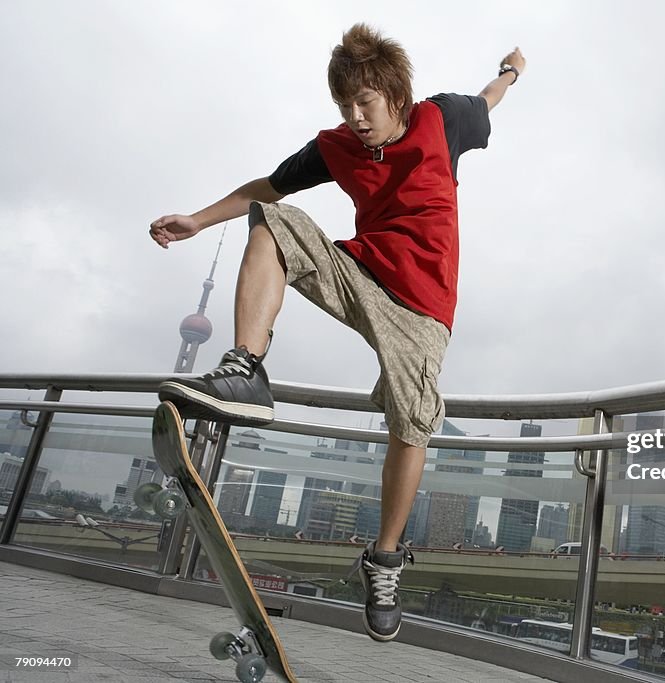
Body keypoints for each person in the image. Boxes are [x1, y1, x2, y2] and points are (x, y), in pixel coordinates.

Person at [148, 23, 525, 642]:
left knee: (412, 421)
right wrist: (197, 219)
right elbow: (259, 190)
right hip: (360, 272)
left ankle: (382, 561)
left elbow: (488, 99)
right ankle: (245, 367)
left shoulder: (443, 120)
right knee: (277, 221)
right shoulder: (335, 146)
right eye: (345, 107)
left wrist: (511, 71)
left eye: (366, 104)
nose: (355, 118)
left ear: (396, 96)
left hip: (424, 308)